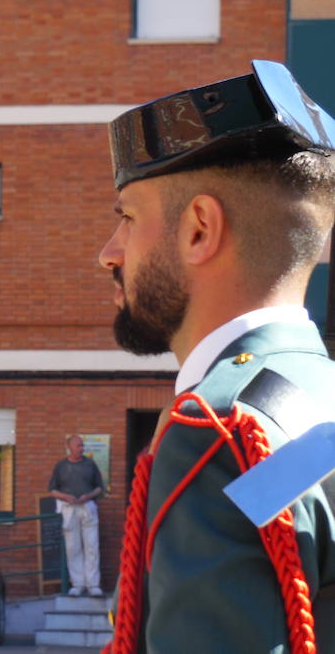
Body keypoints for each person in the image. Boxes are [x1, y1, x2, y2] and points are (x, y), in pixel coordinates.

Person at [99, 60, 335, 652]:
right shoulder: (317, 404)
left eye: (126, 218)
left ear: (200, 228)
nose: (108, 253)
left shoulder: (220, 435)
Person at [47, 434, 103, 597]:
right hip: (69, 509)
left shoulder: (90, 464)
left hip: (87, 507)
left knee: (92, 545)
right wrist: (66, 497)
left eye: (82, 445)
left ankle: (93, 584)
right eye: (78, 445)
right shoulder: (61, 466)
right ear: (69, 447)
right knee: (73, 547)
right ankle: (77, 583)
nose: (81, 448)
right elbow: (52, 490)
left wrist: (89, 496)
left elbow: (100, 487)